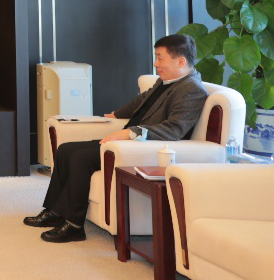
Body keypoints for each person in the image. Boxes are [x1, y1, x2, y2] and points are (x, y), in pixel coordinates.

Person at [24, 33, 209, 243]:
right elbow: (143, 100)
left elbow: (174, 129)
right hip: (125, 142)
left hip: (140, 148)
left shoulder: (192, 90)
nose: (155, 64)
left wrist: (131, 133)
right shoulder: (167, 80)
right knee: (66, 149)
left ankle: (74, 225)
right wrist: (117, 114)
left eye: (160, 58)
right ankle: (55, 212)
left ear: (181, 61)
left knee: (80, 158)